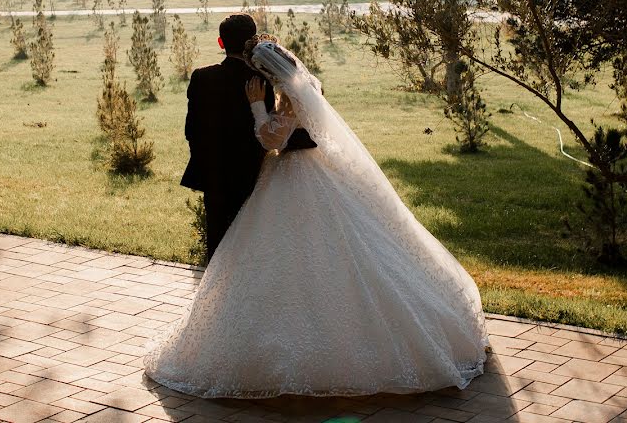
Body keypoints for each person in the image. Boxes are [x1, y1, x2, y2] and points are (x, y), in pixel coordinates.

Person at [146, 35, 489, 398]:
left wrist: (256, 106)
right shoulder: (306, 84)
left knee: (298, 252)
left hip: (295, 174)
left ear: (269, 72)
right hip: (315, 169)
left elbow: (271, 140)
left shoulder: (289, 96)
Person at [180, 14, 274, 262]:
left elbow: (192, 130)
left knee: (218, 247)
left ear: (221, 43)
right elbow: (267, 131)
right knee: (250, 244)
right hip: (253, 175)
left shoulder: (201, 77)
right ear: (252, 42)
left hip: (215, 176)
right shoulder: (263, 79)